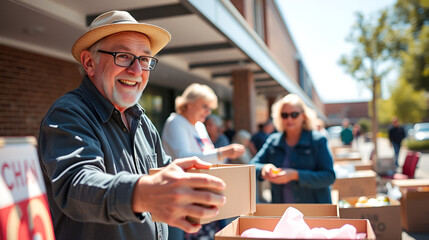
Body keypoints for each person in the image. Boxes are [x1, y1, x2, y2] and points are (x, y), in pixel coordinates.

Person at [37, 10, 227, 240]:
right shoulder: (69, 113)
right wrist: (145, 192)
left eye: (144, 59)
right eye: (123, 56)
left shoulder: (143, 122)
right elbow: (76, 186)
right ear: (89, 63)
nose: (136, 71)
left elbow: (160, 171)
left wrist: (183, 175)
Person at [161, 83, 245, 240]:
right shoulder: (175, 122)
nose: (208, 112)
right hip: (184, 196)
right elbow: (183, 157)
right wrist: (222, 152)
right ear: (189, 104)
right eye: (204, 106)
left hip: (202, 194)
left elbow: (208, 154)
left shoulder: (199, 125)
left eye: (210, 108)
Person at [249, 94, 336, 203]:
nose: (289, 118)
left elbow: (329, 176)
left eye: (294, 114)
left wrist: (296, 175)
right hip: (282, 211)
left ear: (303, 116)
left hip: (314, 211)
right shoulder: (273, 141)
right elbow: (251, 166)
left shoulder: (318, 140)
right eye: (284, 115)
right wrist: (264, 169)